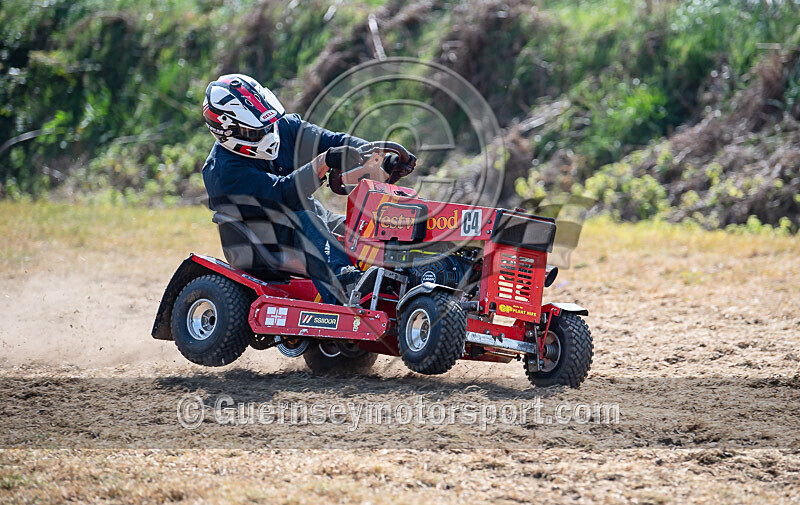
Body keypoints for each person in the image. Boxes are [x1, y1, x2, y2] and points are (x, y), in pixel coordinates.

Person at [200, 73, 377, 304]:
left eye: (268, 125)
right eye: (256, 132)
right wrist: (323, 162)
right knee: (305, 219)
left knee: (359, 227)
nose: (268, 135)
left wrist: (375, 154)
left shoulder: (282, 127)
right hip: (260, 238)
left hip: (305, 218)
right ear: (228, 132)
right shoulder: (223, 171)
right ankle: (343, 289)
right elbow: (282, 195)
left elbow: (332, 140)